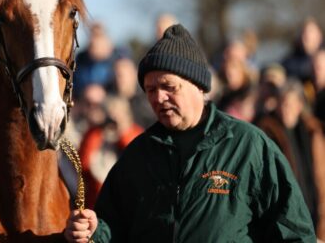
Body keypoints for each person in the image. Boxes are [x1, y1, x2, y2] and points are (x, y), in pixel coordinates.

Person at [65, 24, 316, 242]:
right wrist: (93, 232)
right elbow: (112, 226)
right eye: (150, 89)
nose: (159, 97)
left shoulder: (248, 146)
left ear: (198, 86)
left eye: (168, 86)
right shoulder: (138, 155)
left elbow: (293, 231)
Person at [256, 79, 325, 239]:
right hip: (287, 213)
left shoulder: (312, 131)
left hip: (316, 208)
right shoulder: (268, 132)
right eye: (282, 104)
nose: (285, 109)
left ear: (300, 105)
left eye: (290, 104)